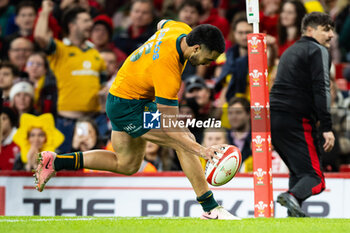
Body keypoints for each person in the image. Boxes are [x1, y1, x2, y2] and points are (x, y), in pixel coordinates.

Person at [35, 19, 240, 220]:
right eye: (209, 58)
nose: (209, 63)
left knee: (127, 164)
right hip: (128, 107)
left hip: (127, 95)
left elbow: (162, 23)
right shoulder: (167, 70)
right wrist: (203, 151)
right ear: (195, 48)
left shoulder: (180, 29)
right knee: (184, 141)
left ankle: (56, 162)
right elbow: (171, 127)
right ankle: (211, 208)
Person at [270, 12, 335, 217]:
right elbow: (322, 88)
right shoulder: (318, 50)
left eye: (332, 29)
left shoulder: (289, 51)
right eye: (326, 29)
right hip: (297, 118)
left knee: (299, 173)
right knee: (316, 178)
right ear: (310, 30)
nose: (331, 35)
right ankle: (293, 198)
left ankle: (293, 217)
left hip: (273, 119)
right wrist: (326, 127)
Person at [34, 2, 107, 153]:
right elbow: (40, 36)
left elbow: (103, 84)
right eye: (85, 21)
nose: (91, 24)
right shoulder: (60, 50)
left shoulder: (95, 53)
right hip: (67, 123)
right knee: (64, 169)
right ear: (72, 25)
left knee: (98, 169)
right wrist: (45, 11)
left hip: (95, 120)